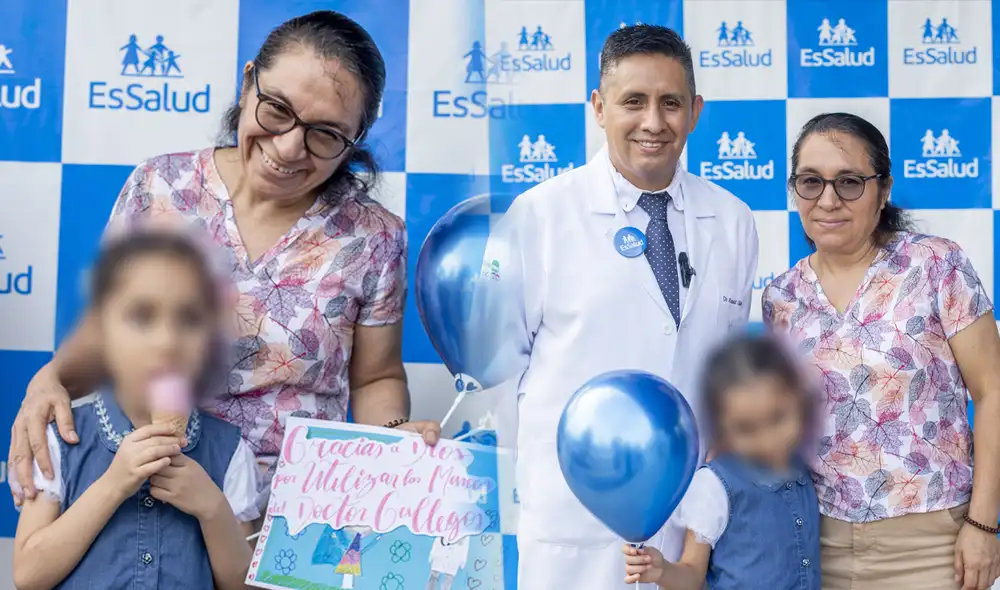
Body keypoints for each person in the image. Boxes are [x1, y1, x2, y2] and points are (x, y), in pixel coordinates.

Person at [9, 10, 441, 515]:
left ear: (354, 140)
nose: (288, 147)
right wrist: (51, 379)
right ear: (248, 81)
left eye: (325, 135)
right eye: (277, 109)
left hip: (289, 517)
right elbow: (106, 333)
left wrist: (390, 443)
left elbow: (375, 378)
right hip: (151, 499)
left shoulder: (374, 235)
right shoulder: (160, 187)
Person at [476, 25, 759, 590]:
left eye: (670, 103)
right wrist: (549, 473)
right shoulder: (540, 216)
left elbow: (724, 378)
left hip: (687, 531)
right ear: (599, 108)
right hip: (571, 529)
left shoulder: (732, 220)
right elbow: (499, 375)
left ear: (695, 111)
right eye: (633, 101)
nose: (653, 122)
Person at [762, 112, 1000, 590]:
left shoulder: (935, 264)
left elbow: (992, 392)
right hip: (817, 544)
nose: (828, 200)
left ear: (884, 189)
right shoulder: (782, 297)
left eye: (849, 182)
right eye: (810, 182)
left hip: (932, 546)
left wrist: (983, 524)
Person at [11, 231, 259, 589]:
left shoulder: (230, 452)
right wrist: (112, 485)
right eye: (142, 317)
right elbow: (28, 576)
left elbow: (240, 584)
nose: (167, 341)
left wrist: (213, 509)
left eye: (189, 319)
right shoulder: (62, 440)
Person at [622, 333, 820, 589]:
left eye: (778, 418)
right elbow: (692, 573)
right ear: (722, 426)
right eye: (747, 428)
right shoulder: (714, 486)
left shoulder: (804, 467)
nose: (768, 439)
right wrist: (662, 571)